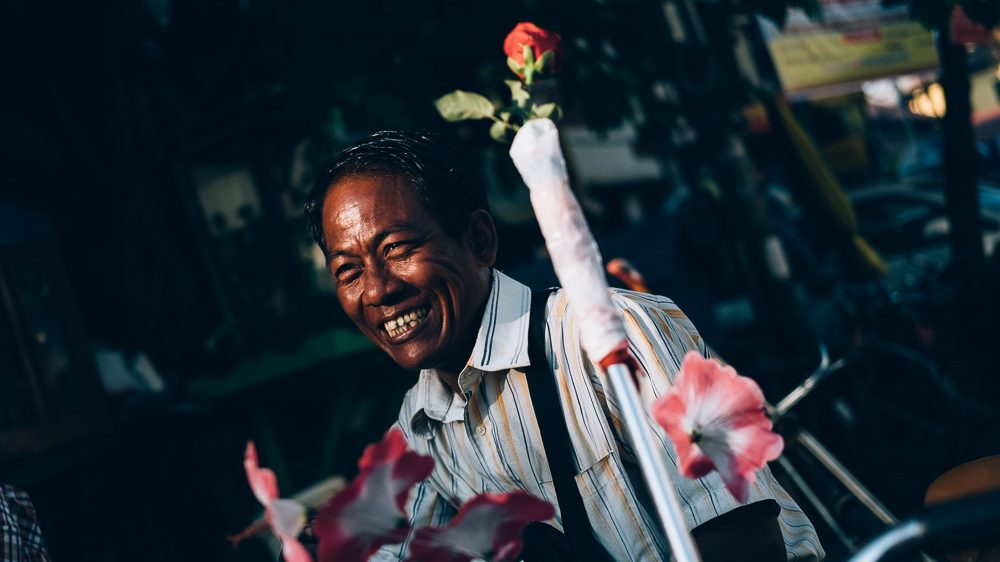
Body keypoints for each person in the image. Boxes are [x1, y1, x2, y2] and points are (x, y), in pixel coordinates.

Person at [304, 130, 824, 561]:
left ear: (480, 240)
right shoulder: (422, 424)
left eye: (397, 249)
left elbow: (744, 537)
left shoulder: (611, 334)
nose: (377, 290)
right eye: (348, 270)